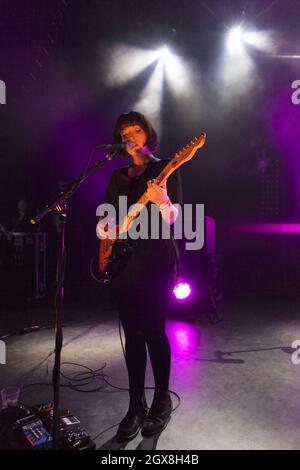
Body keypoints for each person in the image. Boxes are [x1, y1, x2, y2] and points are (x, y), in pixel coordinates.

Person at [96, 111, 183, 441]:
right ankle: (136, 404)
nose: (129, 134)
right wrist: (106, 232)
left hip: (157, 258)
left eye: (135, 129)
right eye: (124, 130)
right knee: (132, 334)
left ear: (147, 134)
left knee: (154, 331)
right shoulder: (119, 176)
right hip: (124, 264)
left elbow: (175, 216)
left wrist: (162, 201)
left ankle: (161, 399)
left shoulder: (165, 168)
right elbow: (105, 218)